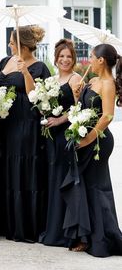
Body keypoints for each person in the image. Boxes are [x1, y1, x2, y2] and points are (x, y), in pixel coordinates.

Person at [61, 43, 122, 256]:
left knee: (97, 188)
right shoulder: (93, 80)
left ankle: (103, 238)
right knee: (83, 187)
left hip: (98, 142)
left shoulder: (107, 84)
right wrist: (78, 96)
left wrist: (88, 139)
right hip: (83, 139)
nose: (89, 60)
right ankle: (84, 237)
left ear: (101, 60)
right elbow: (84, 109)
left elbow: (107, 116)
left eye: (91, 56)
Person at [0, 25, 51, 242]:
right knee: (6, 168)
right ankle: (7, 224)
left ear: (24, 46)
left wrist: (25, 71)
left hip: (26, 123)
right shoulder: (3, 62)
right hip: (5, 123)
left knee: (24, 168)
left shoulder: (39, 67)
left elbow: (35, 96)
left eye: (12, 42)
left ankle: (26, 226)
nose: (9, 45)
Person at [39, 39, 81, 247]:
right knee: (51, 178)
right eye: (61, 56)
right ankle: (52, 229)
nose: (65, 60)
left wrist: (59, 120)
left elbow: (77, 109)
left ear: (73, 60)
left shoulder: (76, 79)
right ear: (55, 59)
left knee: (63, 179)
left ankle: (66, 232)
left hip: (65, 134)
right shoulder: (51, 79)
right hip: (50, 135)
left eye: (69, 57)